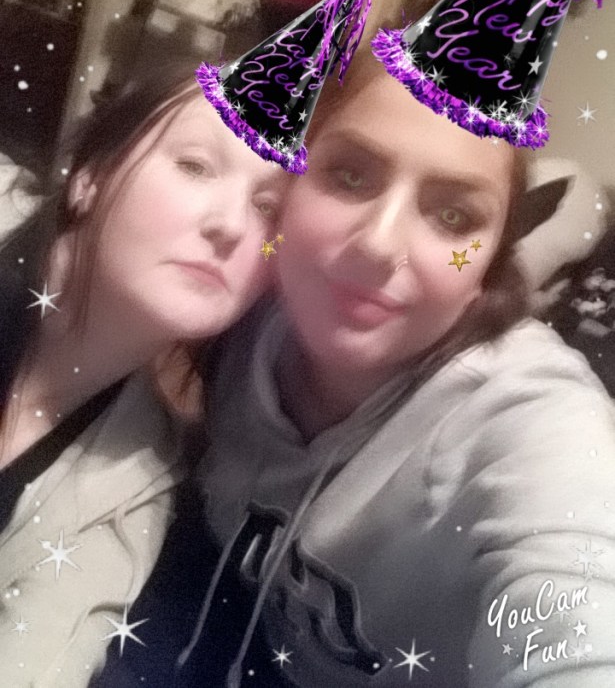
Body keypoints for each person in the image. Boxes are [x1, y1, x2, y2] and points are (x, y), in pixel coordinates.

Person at [93, 53, 615, 688]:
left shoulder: (530, 421)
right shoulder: (241, 310)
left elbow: (582, 613)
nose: (378, 244)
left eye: (454, 217)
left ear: (484, 275)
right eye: (348, 176)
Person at [0, 62, 288, 687]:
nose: (232, 225)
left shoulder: (139, 487)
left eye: (268, 208)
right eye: (195, 166)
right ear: (90, 176)